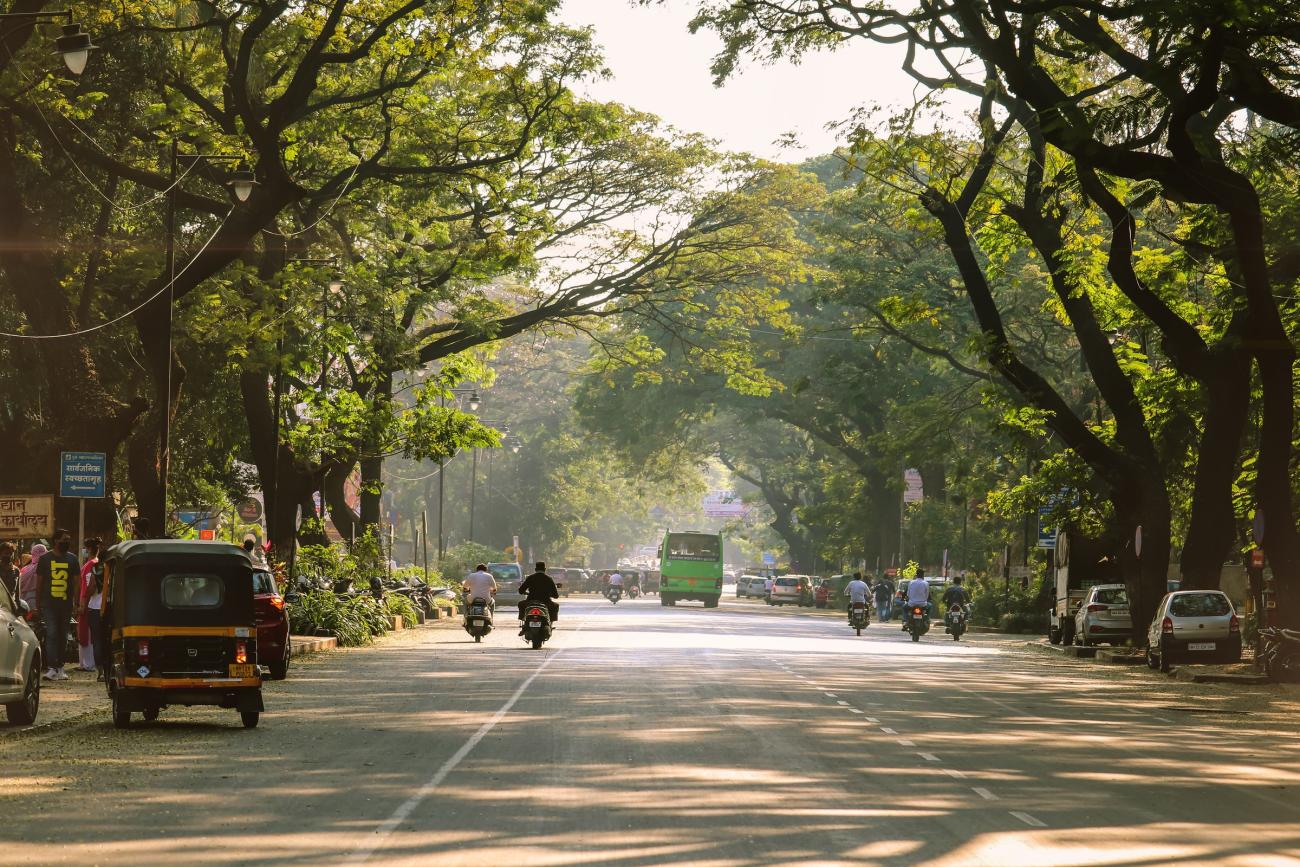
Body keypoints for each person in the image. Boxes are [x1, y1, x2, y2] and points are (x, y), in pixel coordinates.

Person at [35, 529, 79, 681]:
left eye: (68, 539)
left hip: (66, 605)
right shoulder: (45, 559)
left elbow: (76, 583)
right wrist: (37, 604)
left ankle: (60, 667)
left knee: (63, 636)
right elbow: (39, 583)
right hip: (49, 605)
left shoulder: (73, 559)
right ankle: (52, 668)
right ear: (56, 541)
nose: (67, 542)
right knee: (52, 633)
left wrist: (76, 603)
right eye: (64, 539)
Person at [76, 537, 102, 672]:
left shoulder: (90, 564)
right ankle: (87, 662)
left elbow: (87, 587)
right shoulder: (94, 563)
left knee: (86, 633)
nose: (84, 551)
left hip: (88, 603)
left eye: (85, 548)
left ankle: (88, 663)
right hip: (89, 602)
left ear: (89, 549)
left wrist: (82, 604)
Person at [517, 561, 559, 633]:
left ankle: (524, 623)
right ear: (544, 569)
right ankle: (550, 624)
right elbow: (556, 595)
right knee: (555, 606)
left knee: (520, 604)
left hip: (531, 601)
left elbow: (521, 591)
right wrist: (549, 594)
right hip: (546, 602)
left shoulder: (530, 578)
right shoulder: (549, 579)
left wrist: (527, 592)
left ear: (535, 569)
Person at [18, 542, 46, 610]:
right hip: (41, 598)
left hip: (25, 600)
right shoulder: (46, 567)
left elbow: (19, 585)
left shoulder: (24, 569)